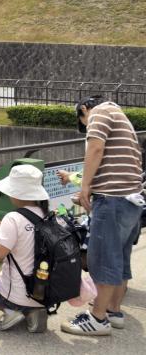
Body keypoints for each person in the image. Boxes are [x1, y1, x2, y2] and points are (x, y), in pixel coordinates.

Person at [56, 96, 143, 335]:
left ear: (84, 109)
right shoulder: (121, 117)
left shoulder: (100, 113)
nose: (86, 127)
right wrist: (87, 188)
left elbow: (96, 148)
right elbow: (113, 165)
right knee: (120, 257)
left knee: (103, 257)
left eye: (83, 123)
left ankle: (97, 318)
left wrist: (85, 187)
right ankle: (113, 310)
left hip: (112, 201)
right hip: (130, 200)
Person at [0, 164, 49, 333]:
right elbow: (27, 243)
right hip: (43, 291)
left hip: (18, 293)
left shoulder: (14, 218)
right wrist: (1, 232)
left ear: (17, 192)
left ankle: (12, 311)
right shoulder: (46, 214)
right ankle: (34, 311)